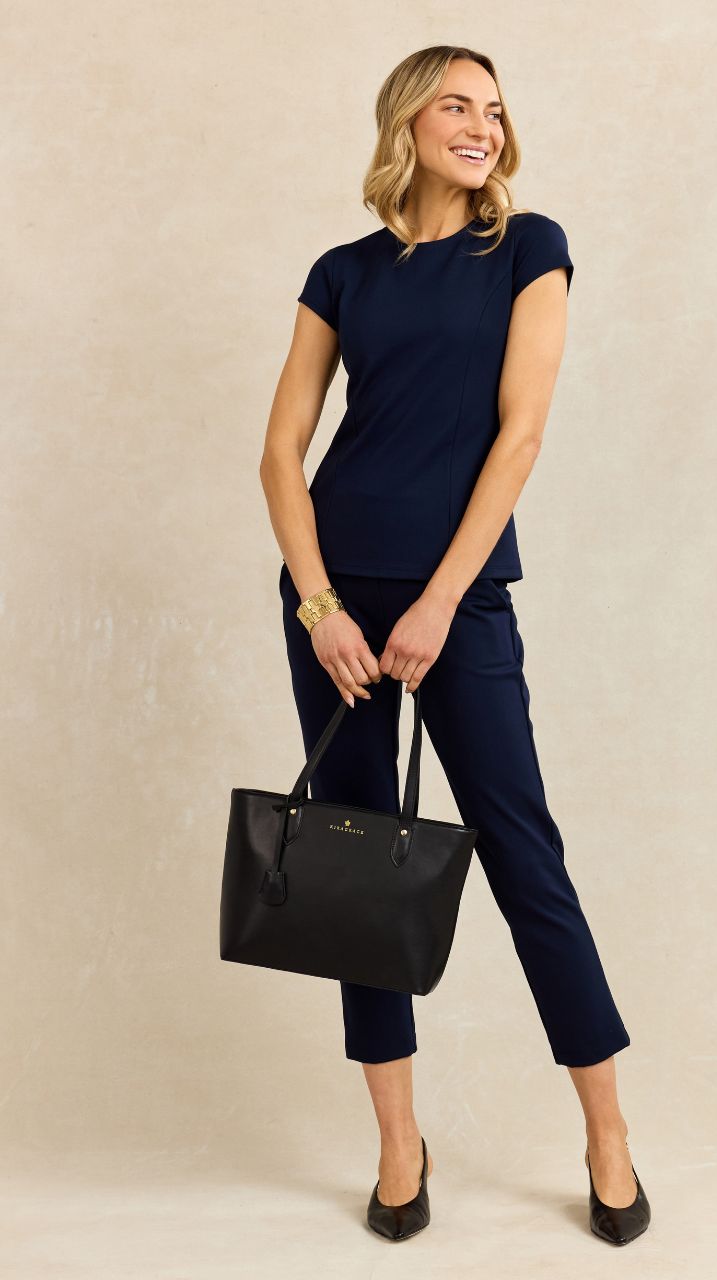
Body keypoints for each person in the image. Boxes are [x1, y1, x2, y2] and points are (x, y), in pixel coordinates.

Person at [260, 45, 651, 1247]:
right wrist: (321, 606)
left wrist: (438, 599)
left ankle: (607, 1134)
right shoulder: (343, 271)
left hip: (457, 601)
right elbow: (280, 454)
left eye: (494, 109)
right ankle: (398, 1143)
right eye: (457, 105)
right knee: (355, 871)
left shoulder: (528, 249)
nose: (481, 126)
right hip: (332, 602)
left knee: (525, 856)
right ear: (408, 124)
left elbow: (519, 436)